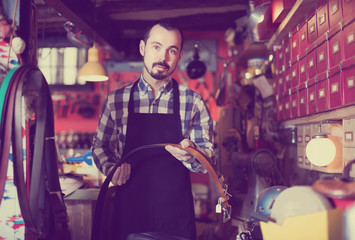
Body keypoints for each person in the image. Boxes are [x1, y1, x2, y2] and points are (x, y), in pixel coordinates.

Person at [92, 20, 215, 240]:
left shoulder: (193, 101)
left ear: (179, 56)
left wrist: (192, 153)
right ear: (143, 48)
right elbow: (100, 146)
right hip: (129, 212)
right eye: (156, 47)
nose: (163, 57)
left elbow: (208, 159)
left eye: (172, 50)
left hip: (175, 217)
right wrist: (112, 168)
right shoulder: (116, 100)